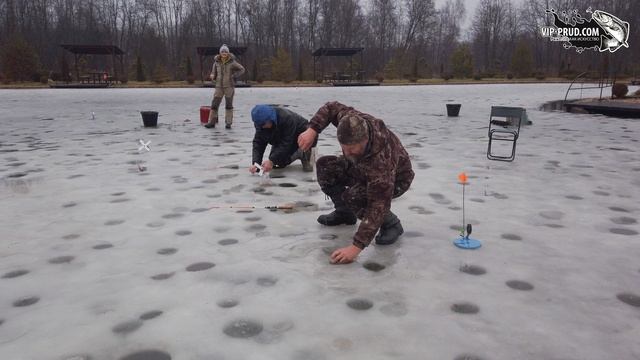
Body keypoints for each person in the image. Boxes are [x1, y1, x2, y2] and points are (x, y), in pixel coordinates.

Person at [298, 102, 414, 264]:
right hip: (361, 167)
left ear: (365, 140)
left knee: (354, 196)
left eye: (353, 149)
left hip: (398, 179)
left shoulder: (381, 161)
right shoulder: (351, 121)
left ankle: (392, 224)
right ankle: (345, 213)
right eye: (344, 148)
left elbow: (378, 204)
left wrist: (355, 248)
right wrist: (313, 129)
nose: (347, 152)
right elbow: (331, 108)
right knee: (326, 167)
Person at [250, 104, 315, 174]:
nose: (262, 127)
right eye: (260, 125)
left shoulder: (286, 118)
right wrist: (256, 163)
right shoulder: (260, 124)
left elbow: (286, 143)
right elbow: (259, 143)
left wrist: (271, 161)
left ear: (271, 118)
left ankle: (302, 152)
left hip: (299, 134)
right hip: (280, 137)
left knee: (275, 160)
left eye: (264, 124)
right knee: (278, 163)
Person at [205, 44, 245, 129]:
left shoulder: (232, 62)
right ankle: (211, 122)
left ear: (228, 53)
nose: (224, 53)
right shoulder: (216, 62)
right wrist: (212, 76)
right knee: (214, 105)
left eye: (225, 51)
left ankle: (228, 123)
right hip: (219, 87)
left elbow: (242, 69)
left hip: (229, 87)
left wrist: (234, 76)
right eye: (222, 51)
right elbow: (213, 73)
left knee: (229, 105)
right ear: (220, 53)